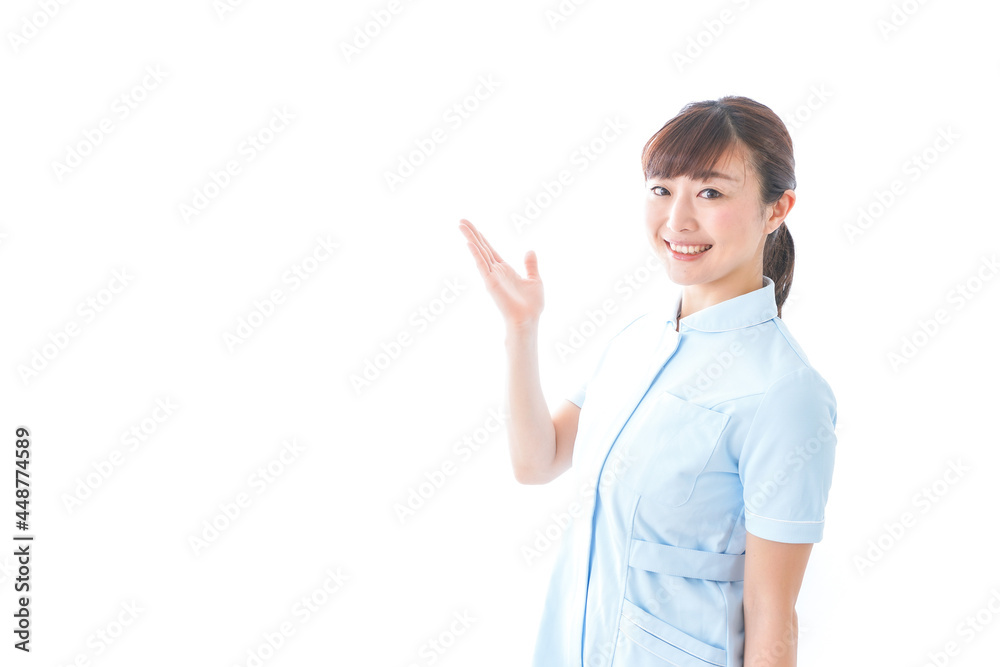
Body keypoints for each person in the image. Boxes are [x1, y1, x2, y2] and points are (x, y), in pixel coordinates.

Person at [458, 95, 838, 667]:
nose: (677, 219)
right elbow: (538, 461)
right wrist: (521, 328)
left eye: (710, 193)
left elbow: (771, 614)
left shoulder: (786, 392)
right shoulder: (635, 342)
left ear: (777, 209)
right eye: (662, 189)